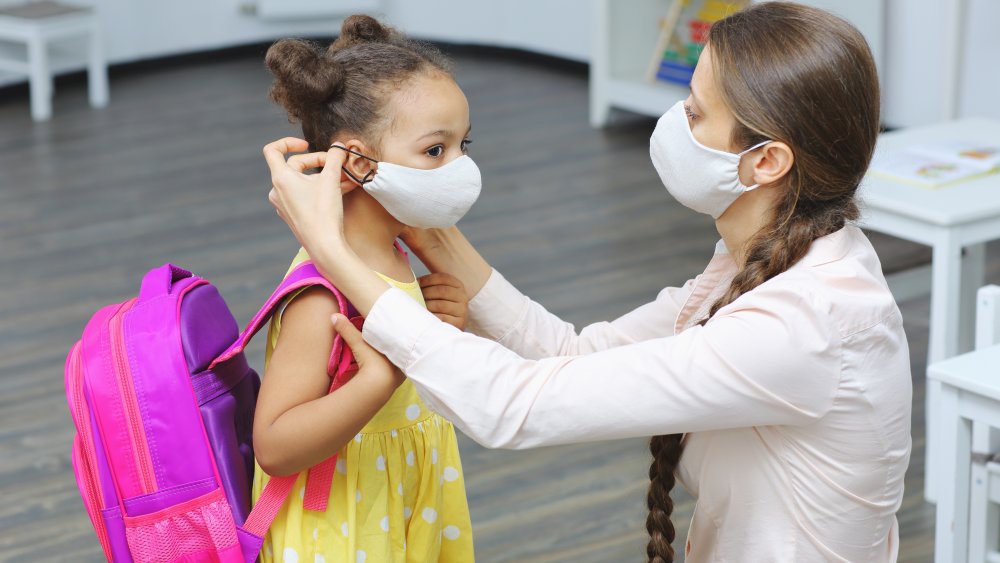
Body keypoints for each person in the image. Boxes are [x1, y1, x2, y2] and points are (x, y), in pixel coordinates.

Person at [263, 3, 912, 561]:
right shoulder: (766, 261)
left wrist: (332, 251)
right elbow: (576, 353)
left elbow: (511, 404)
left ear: (765, 160)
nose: (673, 123)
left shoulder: (805, 324)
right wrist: (433, 233)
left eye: (693, 112)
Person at [251, 15, 476, 563]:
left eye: (463, 144)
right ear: (357, 160)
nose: (461, 166)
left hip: (404, 499)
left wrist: (437, 321)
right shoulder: (322, 297)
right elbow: (275, 447)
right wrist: (378, 379)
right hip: (345, 528)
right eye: (434, 150)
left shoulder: (395, 255)